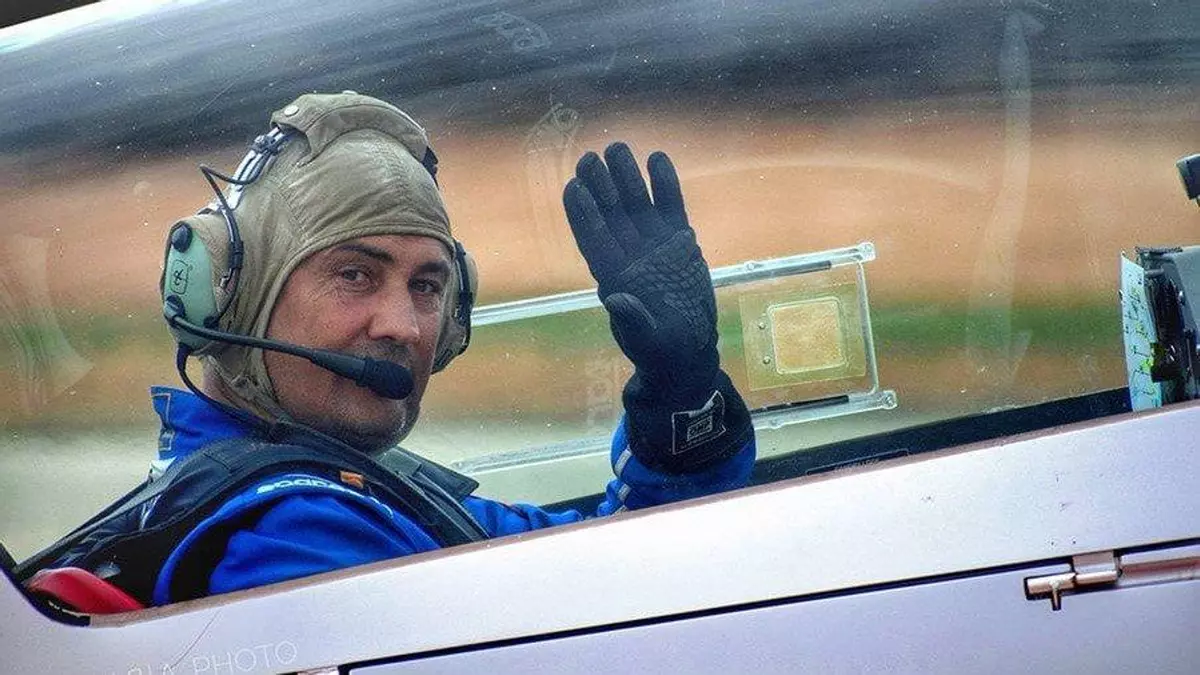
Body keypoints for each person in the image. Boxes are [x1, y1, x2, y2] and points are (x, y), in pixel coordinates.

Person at [25, 92, 755, 608]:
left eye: (427, 286)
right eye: (354, 275)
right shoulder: (294, 538)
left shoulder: (354, 490)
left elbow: (619, 557)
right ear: (232, 297)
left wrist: (681, 390)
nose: (403, 326)